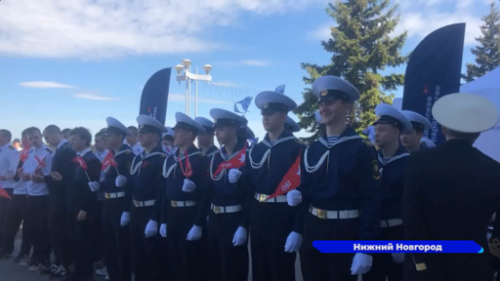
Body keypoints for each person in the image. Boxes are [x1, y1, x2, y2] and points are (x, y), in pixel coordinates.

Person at [287, 76, 380, 281]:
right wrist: (298, 229)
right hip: (313, 228)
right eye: (321, 104)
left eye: (330, 103)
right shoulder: (312, 149)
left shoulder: (361, 150)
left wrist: (366, 247)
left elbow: (371, 201)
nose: (323, 108)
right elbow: (307, 192)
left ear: (347, 105)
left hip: (345, 231)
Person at [403, 93, 500, 281]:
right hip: (474, 263)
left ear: (443, 128)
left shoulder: (419, 161)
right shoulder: (494, 169)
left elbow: (410, 215)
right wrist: (494, 261)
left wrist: (417, 261)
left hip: (427, 262)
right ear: (478, 132)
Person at [243, 89, 304, 281]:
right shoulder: (256, 150)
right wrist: (244, 223)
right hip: (259, 214)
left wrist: (298, 228)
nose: (266, 117)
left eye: (271, 113)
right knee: (260, 270)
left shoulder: (297, 148)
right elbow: (248, 189)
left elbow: (304, 190)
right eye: (264, 114)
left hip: (283, 215)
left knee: (281, 270)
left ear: (284, 116)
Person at [157, 112, 210, 281]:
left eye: (178, 131)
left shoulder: (201, 160)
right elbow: (165, 192)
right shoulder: (171, 159)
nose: (174, 134)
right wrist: (163, 219)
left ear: (189, 134)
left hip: (190, 215)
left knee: (191, 264)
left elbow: (206, 195)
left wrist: (198, 223)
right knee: (173, 262)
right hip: (172, 215)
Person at [363, 104, 412, 281]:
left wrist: (406, 243)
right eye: (375, 130)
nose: (376, 134)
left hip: (396, 233)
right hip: (371, 235)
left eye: (382, 130)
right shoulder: (370, 160)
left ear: (396, 133)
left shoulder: (409, 164)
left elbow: (414, 207)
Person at [206, 108, 252, 281]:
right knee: (215, 268)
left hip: (235, 218)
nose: (217, 133)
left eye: (221, 129)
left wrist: (244, 225)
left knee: (234, 269)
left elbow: (250, 195)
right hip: (215, 218)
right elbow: (211, 190)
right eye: (216, 130)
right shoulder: (216, 158)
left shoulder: (248, 156)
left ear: (233, 130)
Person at [129, 115, 166, 281]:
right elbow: (132, 187)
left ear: (155, 136)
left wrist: (155, 218)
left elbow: (162, 192)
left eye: (145, 132)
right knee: (137, 255)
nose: (140, 136)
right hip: (136, 210)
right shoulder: (138, 157)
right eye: (139, 132)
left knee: (153, 258)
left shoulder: (162, 159)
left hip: (151, 212)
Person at [64, 127, 101, 281]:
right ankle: (77, 273)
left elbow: (92, 188)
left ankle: (85, 275)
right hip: (75, 206)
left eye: (75, 140)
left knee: (84, 242)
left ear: (85, 140)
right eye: (71, 140)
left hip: (84, 208)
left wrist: (85, 208)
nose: (72, 143)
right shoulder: (78, 158)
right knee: (76, 242)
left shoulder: (91, 160)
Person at [100, 117, 134, 281]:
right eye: (106, 135)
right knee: (109, 245)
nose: (106, 138)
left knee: (122, 247)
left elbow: (131, 185)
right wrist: (98, 185)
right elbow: (108, 181)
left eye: (110, 135)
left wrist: (127, 210)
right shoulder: (110, 156)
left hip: (120, 204)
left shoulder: (128, 155)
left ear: (120, 137)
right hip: (108, 203)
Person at [43, 125, 76, 278]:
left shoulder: (66, 150)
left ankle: (65, 263)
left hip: (62, 199)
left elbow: (68, 177)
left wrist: (44, 178)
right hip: (57, 197)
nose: (46, 141)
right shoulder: (61, 150)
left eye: (47, 137)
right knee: (56, 232)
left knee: (61, 232)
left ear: (54, 133)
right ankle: (59, 262)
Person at [21, 127, 54, 273]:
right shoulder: (30, 153)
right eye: (30, 138)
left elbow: (51, 175)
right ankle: (36, 256)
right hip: (31, 194)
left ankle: (44, 259)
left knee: (43, 230)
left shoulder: (49, 153)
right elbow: (28, 172)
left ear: (41, 136)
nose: (33, 141)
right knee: (33, 228)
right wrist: (22, 173)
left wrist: (38, 177)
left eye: (35, 137)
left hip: (43, 195)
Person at [1, 129, 32, 262]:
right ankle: (6, 249)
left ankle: (25, 253)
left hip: (26, 192)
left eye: (27, 138)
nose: (25, 141)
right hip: (15, 191)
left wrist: (5, 177)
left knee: (28, 225)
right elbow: (14, 172)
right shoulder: (18, 154)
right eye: (23, 138)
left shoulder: (12, 151)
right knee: (9, 222)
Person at [0, 129, 20, 255]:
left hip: (8, 189)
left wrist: (3, 177)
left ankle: (7, 248)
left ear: (6, 138)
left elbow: (15, 173)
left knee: (7, 220)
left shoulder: (11, 152)